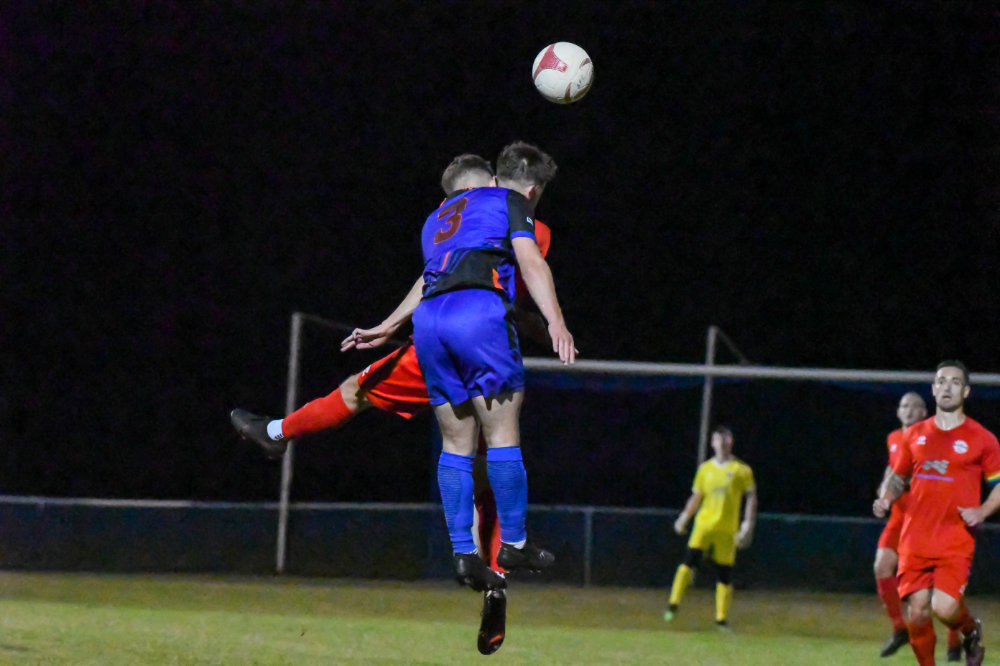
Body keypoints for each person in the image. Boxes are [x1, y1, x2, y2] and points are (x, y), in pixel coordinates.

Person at [230, 152, 553, 655]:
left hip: (438, 340)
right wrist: (550, 326)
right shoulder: (519, 216)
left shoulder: (461, 215)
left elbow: (442, 274)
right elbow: (511, 282)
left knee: (358, 394)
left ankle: (277, 433)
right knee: (492, 460)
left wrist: (390, 324)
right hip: (482, 337)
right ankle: (497, 578)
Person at [346, 140, 575, 599]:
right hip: (478, 312)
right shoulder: (511, 201)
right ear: (532, 190)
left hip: (430, 323)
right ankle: (514, 544)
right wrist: (556, 321)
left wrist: (388, 325)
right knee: (502, 432)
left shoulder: (437, 219)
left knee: (455, 442)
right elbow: (530, 262)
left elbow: (429, 278)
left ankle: (464, 553)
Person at [874, 360, 1000, 666]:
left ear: (966, 391)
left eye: (955, 382)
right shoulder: (915, 434)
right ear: (933, 389)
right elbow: (898, 476)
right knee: (917, 612)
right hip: (914, 536)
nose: (947, 387)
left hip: (955, 536)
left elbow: (998, 484)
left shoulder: (982, 438)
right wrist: (887, 499)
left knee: (945, 608)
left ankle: (969, 630)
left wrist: (983, 510)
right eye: (941, 381)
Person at [875, 393, 962, 660]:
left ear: (925, 413)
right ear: (898, 411)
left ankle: (954, 640)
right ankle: (899, 629)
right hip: (900, 516)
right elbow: (891, 471)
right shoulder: (893, 438)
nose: (909, 410)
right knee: (882, 566)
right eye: (904, 405)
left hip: (927, 519)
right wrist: (884, 492)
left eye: (915, 406)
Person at [664, 425, 756, 627]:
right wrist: (684, 517)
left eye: (724, 439)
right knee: (688, 562)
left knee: (725, 573)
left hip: (727, 530)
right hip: (704, 525)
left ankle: (721, 619)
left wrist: (747, 524)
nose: (721, 443)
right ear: (712, 443)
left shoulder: (741, 470)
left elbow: (751, 497)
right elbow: (697, 496)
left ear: (730, 442)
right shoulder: (705, 469)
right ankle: (673, 605)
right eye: (717, 440)